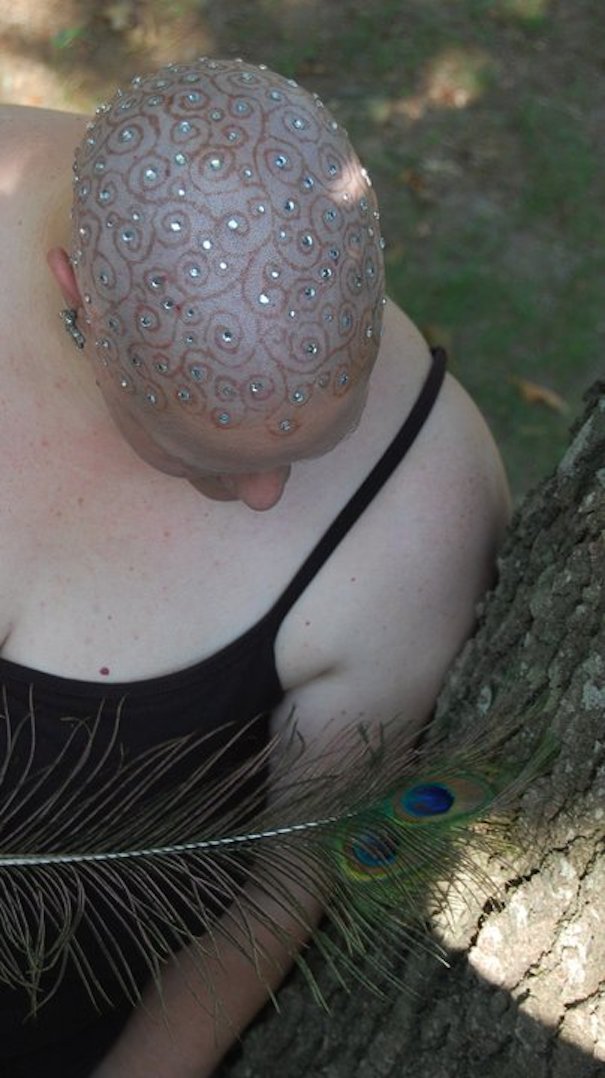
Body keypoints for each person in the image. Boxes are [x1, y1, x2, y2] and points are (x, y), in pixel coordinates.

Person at [0, 58, 510, 1077]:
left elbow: (288, 883)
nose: (271, 497)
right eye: (207, 457)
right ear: (79, 302)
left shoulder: (421, 517)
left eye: (318, 438)